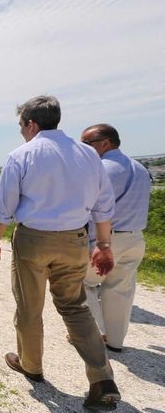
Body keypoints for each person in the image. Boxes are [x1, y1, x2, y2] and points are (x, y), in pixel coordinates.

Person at [0, 95, 121, 409]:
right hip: (76, 239)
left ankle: (31, 365)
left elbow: (4, 207)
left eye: (21, 126)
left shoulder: (21, 155)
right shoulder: (88, 154)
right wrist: (103, 246)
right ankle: (102, 380)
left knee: (30, 307)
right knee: (75, 307)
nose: (21, 131)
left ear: (31, 124)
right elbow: (104, 206)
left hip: (33, 240)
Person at [80, 124, 152, 352]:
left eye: (86, 144)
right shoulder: (140, 168)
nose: (83, 149)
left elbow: (90, 208)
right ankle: (115, 340)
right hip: (135, 238)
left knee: (82, 282)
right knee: (120, 290)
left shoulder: (100, 169)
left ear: (105, 143)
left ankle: (94, 334)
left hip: (107, 240)